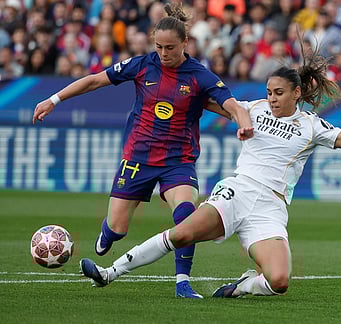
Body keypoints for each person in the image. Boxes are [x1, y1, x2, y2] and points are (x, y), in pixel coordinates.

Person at [79, 45, 341, 298]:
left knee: (278, 281)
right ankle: (110, 272)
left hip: (271, 208)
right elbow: (201, 98)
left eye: (278, 93)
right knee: (181, 234)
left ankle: (240, 288)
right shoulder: (252, 108)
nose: (272, 99)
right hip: (237, 191)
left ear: (297, 94)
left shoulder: (312, 126)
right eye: (269, 92)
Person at [32, 2, 253, 299]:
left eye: (170, 48)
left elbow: (231, 105)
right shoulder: (142, 65)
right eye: (159, 47)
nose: (163, 53)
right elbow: (96, 80)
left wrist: (243, 123)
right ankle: (109, 232)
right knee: (119, 227)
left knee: (187, 218)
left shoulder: (200, 76)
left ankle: (182, 282)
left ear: (185, 43)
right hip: (138, 158)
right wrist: (53, 100)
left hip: (178, 161)